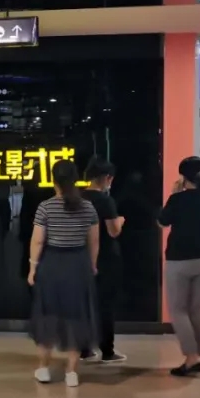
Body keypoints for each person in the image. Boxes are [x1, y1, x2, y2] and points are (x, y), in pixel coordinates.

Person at [27, 160, 100, 387]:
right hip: (78, 264)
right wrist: (92, 265)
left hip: (52, 264)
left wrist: (32, 268)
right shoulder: (88, 207)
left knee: (47, 317)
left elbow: (38, 241)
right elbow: (94, 241)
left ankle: (43, 369)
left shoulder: (45, 207)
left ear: (53, 180)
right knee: (76, 317)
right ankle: (71, 373)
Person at [159, 156, 200, 377]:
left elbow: (162, 221)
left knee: (178, 310)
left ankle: (191, 356)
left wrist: (174, 194)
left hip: (180, 261)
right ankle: (196, 355)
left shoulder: (178, 200)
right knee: (197, 309)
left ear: (183, 177)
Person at [81, 156, 127, 364]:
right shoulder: (105, 200)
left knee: (84, 304)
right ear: (107, 178)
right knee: (105, 305)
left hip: (81, 256)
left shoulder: (78, 198)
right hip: (106, 258)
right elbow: (113, 231)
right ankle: (107, 350)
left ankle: (84, 349)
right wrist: (121, 220)